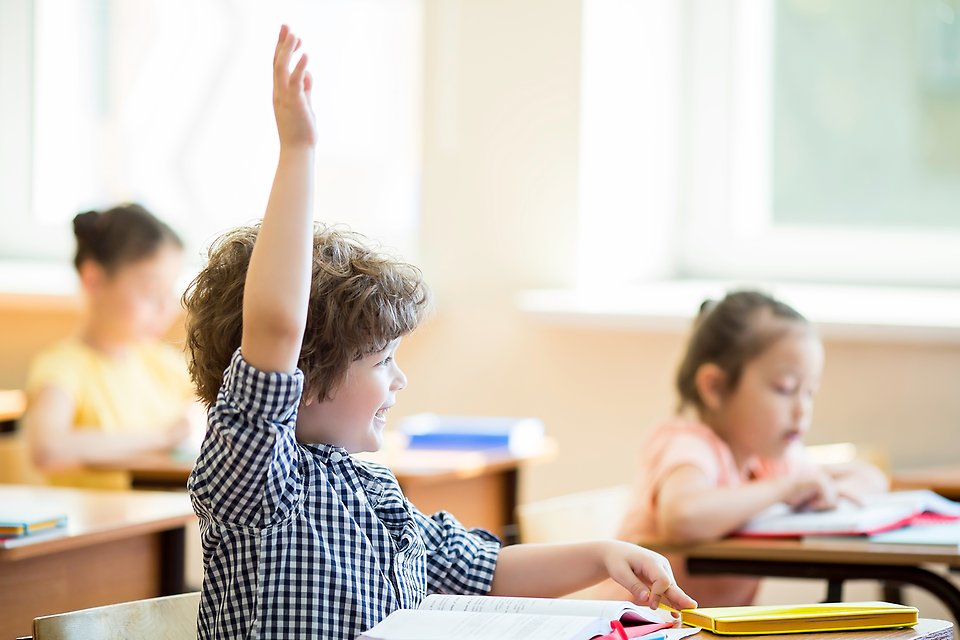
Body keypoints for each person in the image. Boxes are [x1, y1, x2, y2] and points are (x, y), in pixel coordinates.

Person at [182, 25, 696, 640]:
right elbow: (275, 324)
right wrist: (299, 150)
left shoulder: (372, 488)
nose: (399, 379)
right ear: (304, 379)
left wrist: (603, 556)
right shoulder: (257, 482)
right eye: (379, 362)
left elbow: (487, 570)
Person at [608, 290, 889, 607]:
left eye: (809, 392)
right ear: (715, 387)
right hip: (636, 627)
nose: (802, 410)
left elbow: (869, 477)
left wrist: (825, 493)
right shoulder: (689, 443)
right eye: (785, 389)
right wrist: (786, 489)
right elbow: (684, 516)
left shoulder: (768, 459)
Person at [23, 203, 200, 489]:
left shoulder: (162, 364)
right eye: (151, 292)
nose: (166, 307)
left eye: (170, 291)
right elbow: (48, 449)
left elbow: (202, 411)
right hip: (96, 529)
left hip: (161, 523)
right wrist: (162, 437)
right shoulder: (62, 367)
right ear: (93, 279)